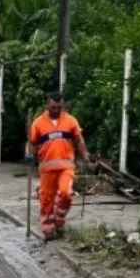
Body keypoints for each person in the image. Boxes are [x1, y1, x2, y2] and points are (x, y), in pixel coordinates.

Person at [26, 91, 92, 240]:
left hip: (66, 167)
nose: (56, 110)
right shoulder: (38, 123)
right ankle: (47, 226)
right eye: (53, 107)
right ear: (47, 105)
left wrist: (85, 157)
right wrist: (29, 155)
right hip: (47, 169)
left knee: (66, 193)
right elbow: (31, 143)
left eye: (59, 107)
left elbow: (79, 140)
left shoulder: (70, 121)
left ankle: (59, 219)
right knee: (47, 198)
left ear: (62, 105)